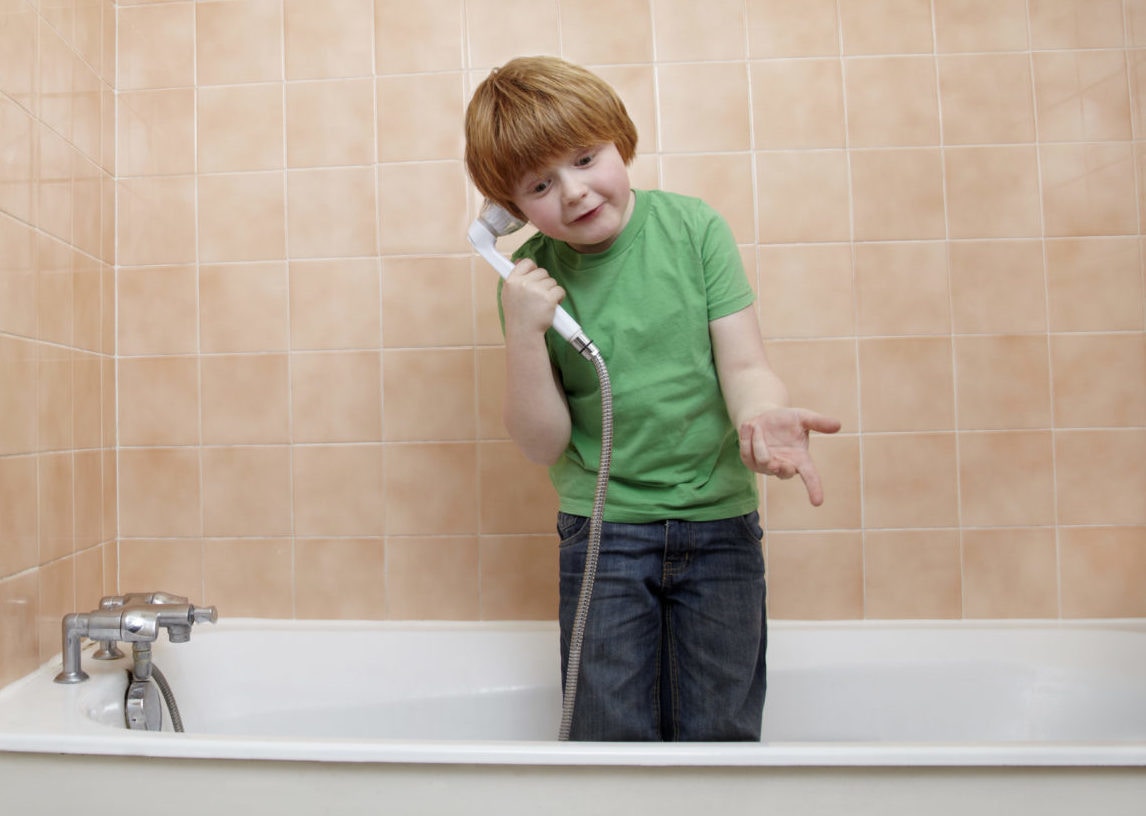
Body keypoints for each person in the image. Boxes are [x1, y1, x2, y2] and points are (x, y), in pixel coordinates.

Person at [464, 56, 841, 742]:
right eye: (542, 184)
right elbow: (542, 443)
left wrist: (760, 415)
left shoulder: (695, 231)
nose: (575, 192)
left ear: (619, 139)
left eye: (585, 158)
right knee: (606, 735)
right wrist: (523, 333)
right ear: (511, 212)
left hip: (720, 522)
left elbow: (746, 364)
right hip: (603, 532)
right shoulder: (527, 285)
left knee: (719, 731)